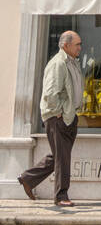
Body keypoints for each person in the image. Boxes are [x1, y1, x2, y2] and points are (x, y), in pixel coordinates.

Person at [19, 30, 83, 206]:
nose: (80, 47)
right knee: (62, 157)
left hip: (69, 116)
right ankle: (61, 196)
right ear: (66, 45)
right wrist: (58, 113)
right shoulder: (59, 64)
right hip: (59, 117)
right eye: (77, 44)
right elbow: (50, 92)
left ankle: (28, 179)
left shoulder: (72, 62)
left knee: (59, 155)